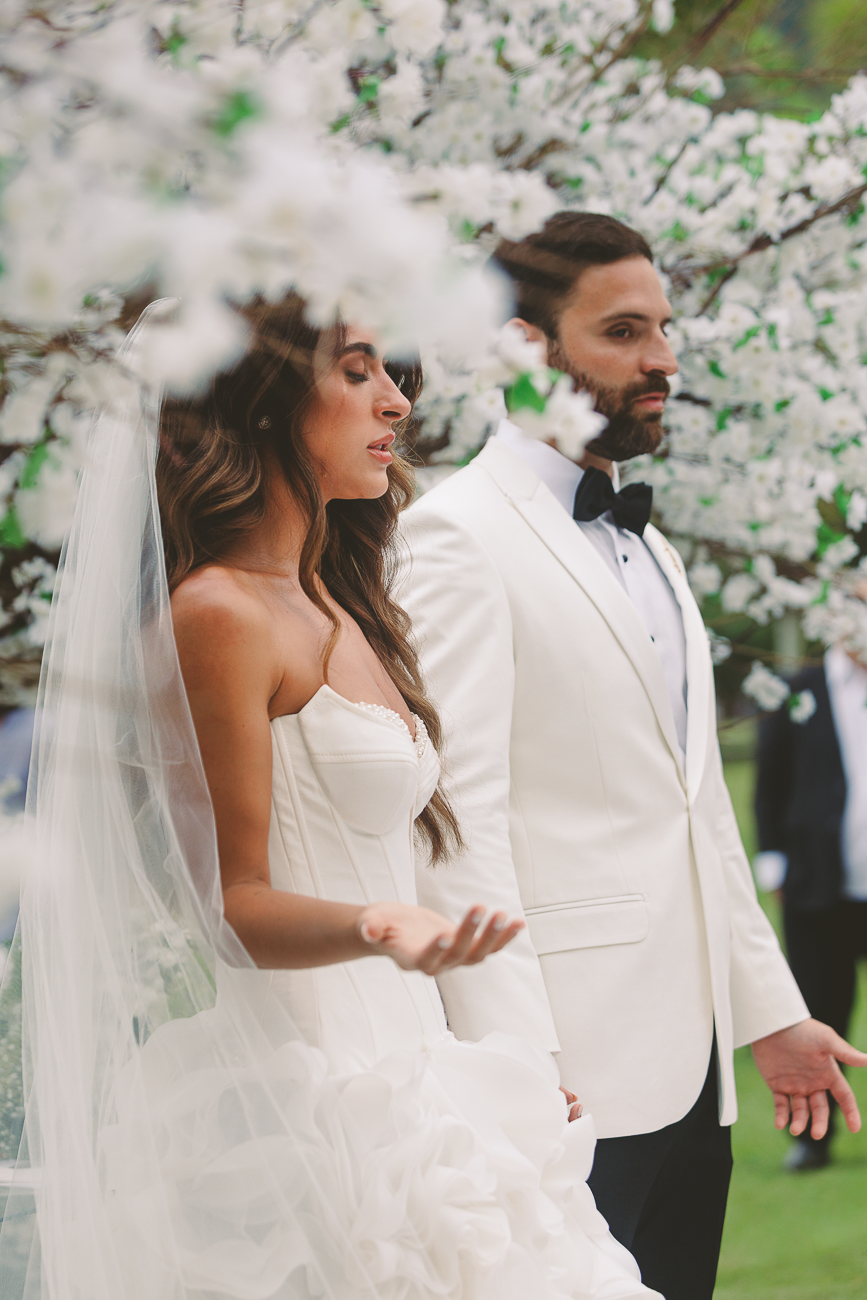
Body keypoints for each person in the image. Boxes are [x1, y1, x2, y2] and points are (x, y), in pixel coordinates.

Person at [0, 294, 662, 1300]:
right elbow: (231, 903)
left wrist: (500, 1073)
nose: (396, 401)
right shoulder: (215, 612)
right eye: (359, 370)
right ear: (261, 398)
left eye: (392, 371)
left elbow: (418, 863)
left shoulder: (338, 603)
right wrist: (379, 923)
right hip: (308, 1107)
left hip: (429, 1086)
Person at [396, 212, 867, 1300]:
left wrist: (771, 1012)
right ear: (526, 351)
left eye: (665, 327)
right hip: (565, 1078)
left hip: (694, 1074)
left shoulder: (648, 543)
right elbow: (456, 827)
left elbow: (693, 808)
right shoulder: (455, 537)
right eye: (624, 331)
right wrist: (517, 1068)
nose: (664, 358)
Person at [755, 641, 867, 1171]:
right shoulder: (799, 688)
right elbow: (770, 778)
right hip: (818, 885)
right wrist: (772, 861)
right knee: (818, 1011)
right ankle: (812, 1137)